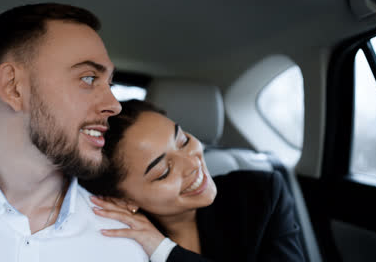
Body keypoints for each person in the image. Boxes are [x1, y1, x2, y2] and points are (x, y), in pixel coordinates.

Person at [0, 3, 148, 262]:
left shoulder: (126, 244)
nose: (114, 105)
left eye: (110, 83)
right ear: (14, 88)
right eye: (88, 78)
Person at [79, 100, 306, 262]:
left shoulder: (261, 193)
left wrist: (164, 252)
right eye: (163, 171)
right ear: (122, 200)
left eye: (183, 140)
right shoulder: (115, 242)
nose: (192, 164)